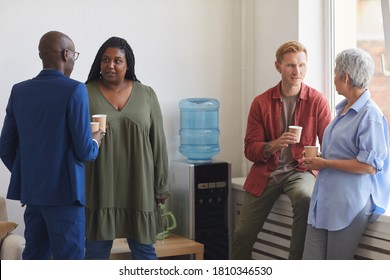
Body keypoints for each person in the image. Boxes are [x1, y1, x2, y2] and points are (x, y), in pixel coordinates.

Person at [0, 31, 105, 260]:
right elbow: (84, 150)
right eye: (73, 55)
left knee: (35, 259)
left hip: (34, 195)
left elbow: (5, 147)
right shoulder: (75, 90)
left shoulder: (19, 91)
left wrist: (28, 175)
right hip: (66, 197)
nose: (73, 61)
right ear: (66, 54)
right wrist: (96, 140)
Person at [231, 40, 332, 260]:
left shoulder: (318, 101)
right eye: (290, 65)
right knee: (242, 235)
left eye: (302, 65)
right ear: (278, 67)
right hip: (266, 173)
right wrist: (273, 144)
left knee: (306, 197)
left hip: (300, 170)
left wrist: (318, 159)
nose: (297, 71)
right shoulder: (261, 102)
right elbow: (250, 150)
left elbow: (329, 146)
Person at [84, 36, 170, 260]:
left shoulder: (147, 94)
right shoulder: (84, 93)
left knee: (144, 252)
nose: (110, 65)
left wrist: (161, 185)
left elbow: (158, 141)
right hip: (99, 187)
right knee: (95, 253)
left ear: (128, 64)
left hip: (139, 186)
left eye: (117, 60)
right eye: (105, 60)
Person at [302, 48, 390, 259]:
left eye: (334, 73)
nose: (333, 78)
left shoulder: (370, 115)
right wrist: (322, 160)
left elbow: (369, 166)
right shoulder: (343, 108)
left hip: (348, 204)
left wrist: (326, 164)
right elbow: (342, 152)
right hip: (325, 200)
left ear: (345, 76)